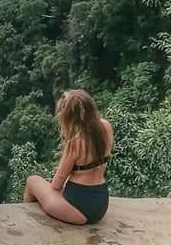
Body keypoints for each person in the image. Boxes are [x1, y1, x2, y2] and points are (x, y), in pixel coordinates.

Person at [23, 89, 113, 225]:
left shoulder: (75, 143)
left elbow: (56, 185)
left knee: (32, 180)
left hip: (77, 209)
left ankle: (28, 222)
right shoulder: (106, 126)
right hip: (100, 205)